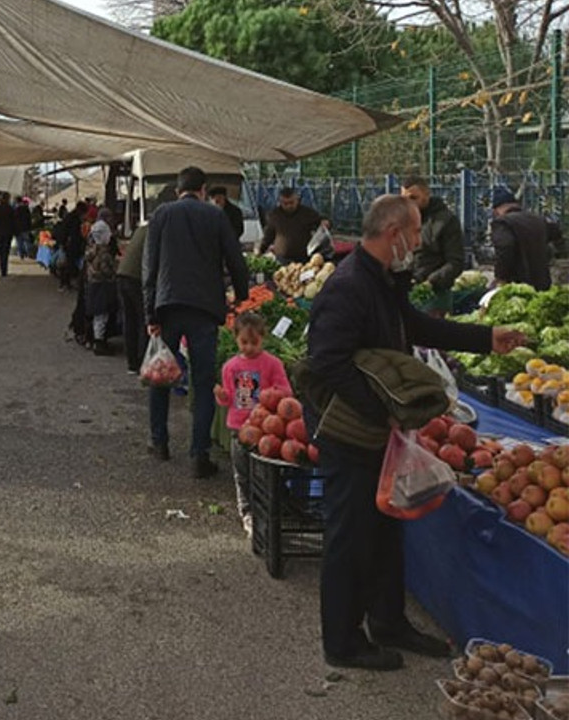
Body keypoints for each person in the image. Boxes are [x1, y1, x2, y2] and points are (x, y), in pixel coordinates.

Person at [305, 194, 525, 671]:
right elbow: (326, 360)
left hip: (382, 433)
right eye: (416, 231)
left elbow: (415, 325)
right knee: (350, 536)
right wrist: (377, 411)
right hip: (352, 433)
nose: (421, 240)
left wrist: (486, 338)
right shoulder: (348, 286)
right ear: (394, 233)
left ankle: (388, 621)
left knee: (386, 528)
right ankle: (341, 641)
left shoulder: (382, 280)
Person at [143, 166, 250, 478]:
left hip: (167, 306)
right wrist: (241, 298)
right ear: (203, 190)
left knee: (160, 374)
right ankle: (198, 456)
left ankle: (159, 442)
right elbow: (236, 260)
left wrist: (150, 314)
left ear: (178, 191)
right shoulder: (215, 216)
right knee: (202, 383)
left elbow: (150, 267)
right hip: (204, 310)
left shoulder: (161, 214)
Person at [215, 312, 291, 536]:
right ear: (237, 339)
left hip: (264, 428)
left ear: (263, 339)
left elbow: (286, 391)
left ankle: (264, 509)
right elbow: (229, 397)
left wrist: (270, 395)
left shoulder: (272, 364)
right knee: (241, 472)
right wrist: (221, 396)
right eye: (244, 342)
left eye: (254, 342)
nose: (249, 347)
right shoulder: (230, 367)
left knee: (263, 472)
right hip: (238, 427)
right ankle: (246, 511)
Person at [400, 177, 464, 314]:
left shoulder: (446, 221)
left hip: (436, 295)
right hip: (408, 289)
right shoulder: (405, 220)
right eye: (404, 198)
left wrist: (431, 281)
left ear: (426, 195)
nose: (408, 203)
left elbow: (456, 262)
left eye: (413, 198)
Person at [490, 188, 555, 291]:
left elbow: (505, 247)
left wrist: (500, 277)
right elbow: (557, 239)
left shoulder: (502, 222)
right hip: (542, 282)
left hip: (516, 284)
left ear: (497, 209)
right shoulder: (539, 219)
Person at [257, 188, 325, 263]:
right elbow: (268, 236)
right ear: (280, 202)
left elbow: (322, 221)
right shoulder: (275, 215)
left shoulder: (307, 213)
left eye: (292, 203)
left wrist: (326, 222)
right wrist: (260, 249)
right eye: (285, 204)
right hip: (281, 259)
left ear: (297, 200)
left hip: (302, 259)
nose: (289, 206)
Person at [84, 209, 118, 356]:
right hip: (103, 286)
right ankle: (100, 343)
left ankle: (97, 339)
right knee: (102, 316)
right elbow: (107, 270)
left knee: (98, 316)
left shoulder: (91, 250)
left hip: (93, 284)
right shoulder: (104, 253)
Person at [117, 224, 147, 373]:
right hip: (137, 278)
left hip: (123, 275)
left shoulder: (141, 230)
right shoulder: (156, 232)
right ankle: (142, 360)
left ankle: (132, 363)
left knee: (129, 320)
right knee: (143, 319)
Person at [55, 202, 86, 291]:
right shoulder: (74, 219)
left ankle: (65, 283)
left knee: (68, 264)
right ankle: (65, 283)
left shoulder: (70, 217)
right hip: (71, 245)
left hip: (68, 244)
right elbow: (74, 233)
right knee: (69, 265)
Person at [0, 194, 17, 277]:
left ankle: (2, 269)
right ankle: (4, 270)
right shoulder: (10, 209)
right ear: (7, 199)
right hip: (8, 233)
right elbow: (13, 222)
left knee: (1, 252)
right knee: (6, 251)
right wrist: (14, 232)